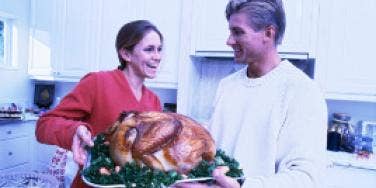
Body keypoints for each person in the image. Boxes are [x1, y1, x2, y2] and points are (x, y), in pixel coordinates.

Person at [175, 0, 328, 188]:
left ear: (268, 33)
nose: (229, 41)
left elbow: (306, 179)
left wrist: (242, 186)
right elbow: (214, 155)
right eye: (230, 32)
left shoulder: (302, 91)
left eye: (238, 32)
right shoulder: (227, 85)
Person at [35, 20, 164, 188]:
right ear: (126, 54)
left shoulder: (154, 100)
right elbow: (44, 125)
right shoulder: (97, 83)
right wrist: (74, 131)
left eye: (159, 49)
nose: (157, 56)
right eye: (149, 49)